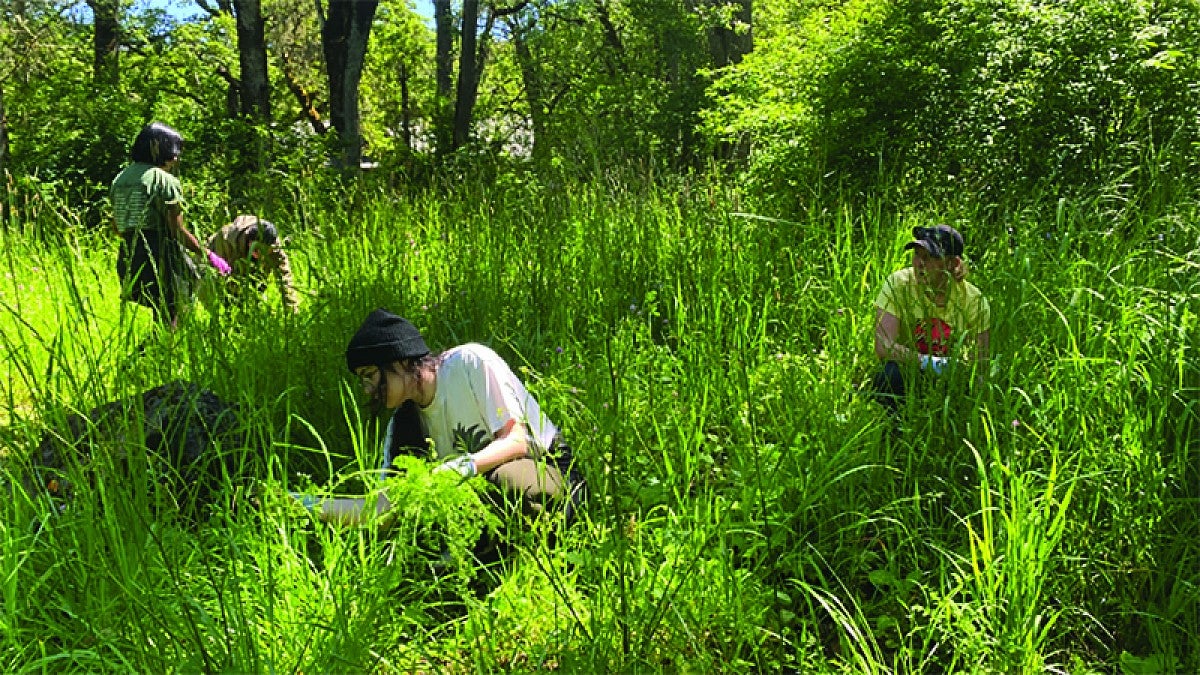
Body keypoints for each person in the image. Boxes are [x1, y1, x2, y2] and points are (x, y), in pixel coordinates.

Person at [296, 309, 585, 530]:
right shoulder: (403, 428)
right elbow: (383, 511)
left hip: (550, 476)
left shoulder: (469, 363)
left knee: (501, 479)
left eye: (370, 376)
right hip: (486, 510)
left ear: (400, 360)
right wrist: (305, 504)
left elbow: (518, 440)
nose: (368, 390)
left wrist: (461, 468)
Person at [111, 122, 231, 328]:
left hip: (128, 256)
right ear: (161, 150)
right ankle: (152, 356)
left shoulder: (119, 179)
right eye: (173, 152)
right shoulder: (164, 180)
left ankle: (148, 356)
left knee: (164, 313)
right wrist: (208, 255)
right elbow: (176, 229)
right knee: (174, 316)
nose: (176, 159)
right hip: (160, 255)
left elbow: (117, 226)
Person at [872, 225, 991, 414]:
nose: (919, 263)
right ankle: (891, 431)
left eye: (929, 258)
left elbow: (981, 362)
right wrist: (928, 362)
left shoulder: (974, 300)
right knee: (890, 375)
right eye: (917, 255)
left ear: (953, 263)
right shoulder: (899, 284)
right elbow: (883, 345)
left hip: (950, 379)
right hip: (907, 368)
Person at [205, 215, 300, 312]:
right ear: (250, 241)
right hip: (214, 255)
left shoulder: (274, 247)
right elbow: (221, 270)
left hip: (247, 265)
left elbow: (284, 277)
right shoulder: (228, 239)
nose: (260, 253)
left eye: (264, 250)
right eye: (256, 249)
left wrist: (292, 310)